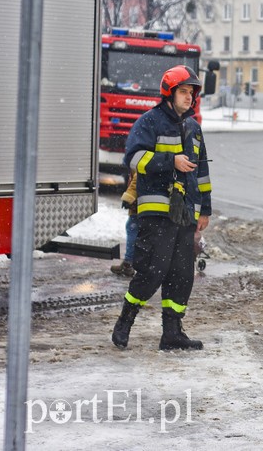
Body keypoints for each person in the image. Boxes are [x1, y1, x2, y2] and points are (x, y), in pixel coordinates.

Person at [111, 65, 212, 351]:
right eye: (183, 92)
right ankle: (125, 322)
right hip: (157, 212)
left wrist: (205, 209)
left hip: (186, 214)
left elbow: (202, 173)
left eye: (191, 93)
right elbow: (133, 158)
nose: (189, 97)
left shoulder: (194, 129)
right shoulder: (150, 122)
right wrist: (170, 162)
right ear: (169, 93)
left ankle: (172, 333)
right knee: (152, 272)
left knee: (182, 275)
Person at [109, 171, 139, 277]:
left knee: (132, 229)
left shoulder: (142, 163)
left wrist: (128, 197)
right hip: (146, 204)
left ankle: (128, 264)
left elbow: (137, 180)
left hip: (140, 205)